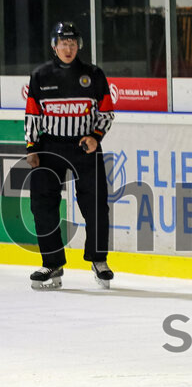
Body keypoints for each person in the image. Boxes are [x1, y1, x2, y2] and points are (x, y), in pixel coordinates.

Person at [24, 21, 115, 290]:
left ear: (79, 46)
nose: (68, 48)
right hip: (49, 146)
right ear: (54, 46)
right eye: (63, 43)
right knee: (42, 204)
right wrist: (31, 147)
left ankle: (99, 260)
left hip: (84, 147)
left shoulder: (93, 75)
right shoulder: (40, 75)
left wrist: (95, 137)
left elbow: (107, 111)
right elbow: (32, 114)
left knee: (96, 203)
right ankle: (51, 262)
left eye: (73, 43)